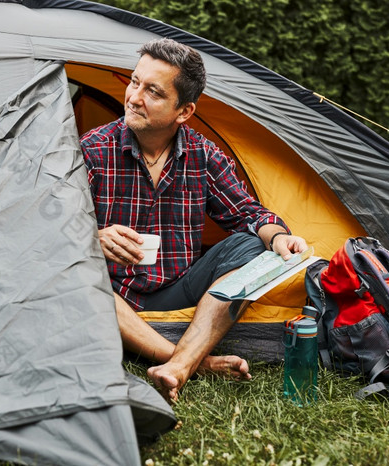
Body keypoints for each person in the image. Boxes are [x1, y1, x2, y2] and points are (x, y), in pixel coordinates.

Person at [80, 38, 308, 402]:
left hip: (177, 291)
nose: (134, 97)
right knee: (76, 273)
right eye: (134, 82)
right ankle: (189, 362)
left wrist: (278, 237)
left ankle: (177, 361)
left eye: (153, 91)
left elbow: (249, 214)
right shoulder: (91, 150)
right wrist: (94, 237)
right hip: (110, 294)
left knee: (253, 245)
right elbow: (51, 231)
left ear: (183, 111)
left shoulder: (203, 155)